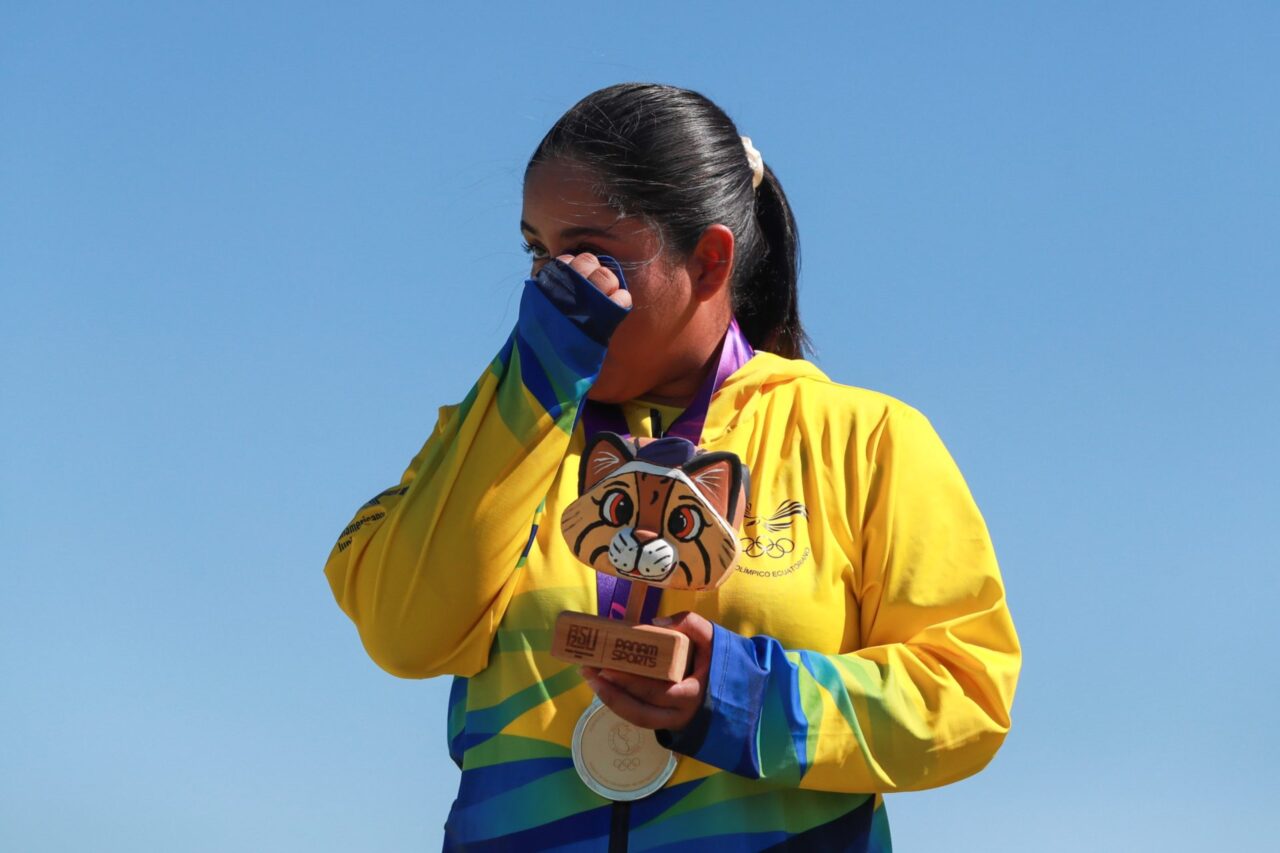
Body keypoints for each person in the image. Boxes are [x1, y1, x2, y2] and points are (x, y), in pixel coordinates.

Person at [324, 82, 1020, 852]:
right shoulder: (500, 427)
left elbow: (966, 695)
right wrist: (532, 383)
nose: (558, 288)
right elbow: (403, 632)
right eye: (539, 255)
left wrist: (740, 694)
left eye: (590, 257)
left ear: (710, 260)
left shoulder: (867, 438)